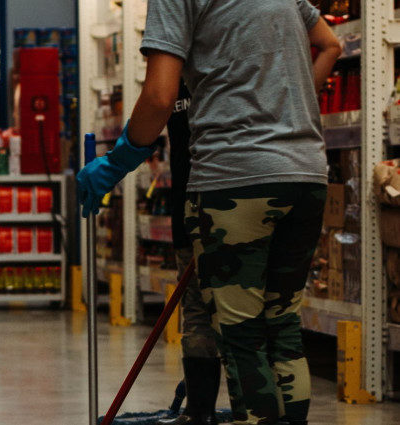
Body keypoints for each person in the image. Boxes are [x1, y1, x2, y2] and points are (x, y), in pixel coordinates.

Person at [77, 1, 342, 424]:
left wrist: (118, 161)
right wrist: (290, 115)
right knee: (284, 330)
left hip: (234, 179)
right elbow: (330, 43)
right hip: (305, 173)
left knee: (242, 337)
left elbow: (161, 94)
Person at [155, 82, 223, 425]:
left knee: (196, 314)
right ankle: (253, 410)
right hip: (234, 207)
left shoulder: (170, 77)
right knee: (244, 315)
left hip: (188, 207)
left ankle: (200, 413)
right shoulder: (228, 67)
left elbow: (146, 128)